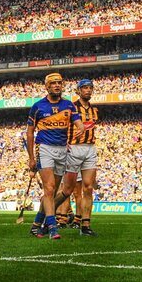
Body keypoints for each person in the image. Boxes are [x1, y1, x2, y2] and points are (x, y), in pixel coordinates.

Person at [25, 72, 83, 240]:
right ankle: (52, 227)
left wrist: (78, 132)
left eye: (59, 83)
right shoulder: (38, 107)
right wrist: (31, 158)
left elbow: (79, 126)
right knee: (49, 188)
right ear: (47, 87)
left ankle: (38, 224)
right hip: (45, 148)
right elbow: (29, 133)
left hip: (62, 151)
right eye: (53, 83)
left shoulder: (69, 105)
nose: (57, 85)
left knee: (53, 191)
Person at [66, 79, 99, 236]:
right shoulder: (71, 108)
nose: (88, 90)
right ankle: (48, 217)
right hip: (73, 148)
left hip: (90, 148)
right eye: (84, 88)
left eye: (90, 88)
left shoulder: (94, 110)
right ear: (78, 91)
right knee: (67, 189)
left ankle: (85, 225)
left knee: (88, 187)